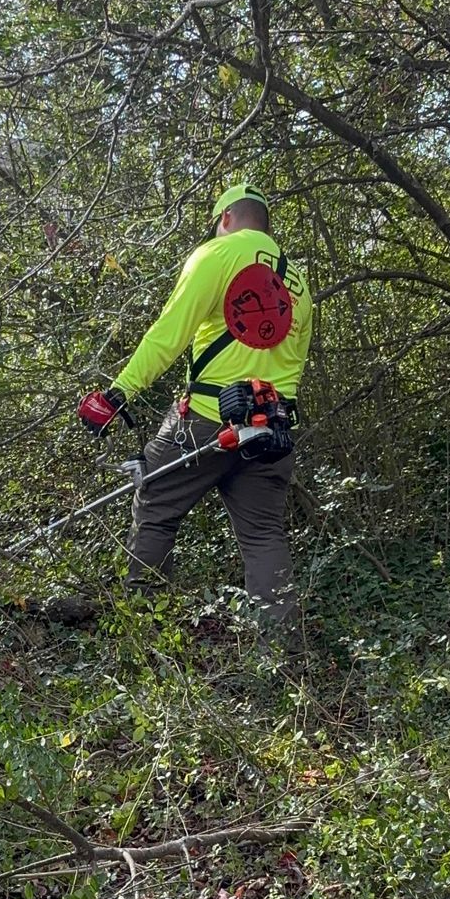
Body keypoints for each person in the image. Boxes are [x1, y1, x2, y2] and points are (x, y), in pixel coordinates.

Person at [77, 180, 312, 626]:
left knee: (156, 505)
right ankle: (280, 658)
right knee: (264, 536)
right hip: (272, 429)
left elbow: (169, 335)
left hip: (206, 421)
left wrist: (117, 394)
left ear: (226, 219)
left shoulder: (216, 254)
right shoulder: (299, 283)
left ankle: (144, 629)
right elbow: (294, 366)